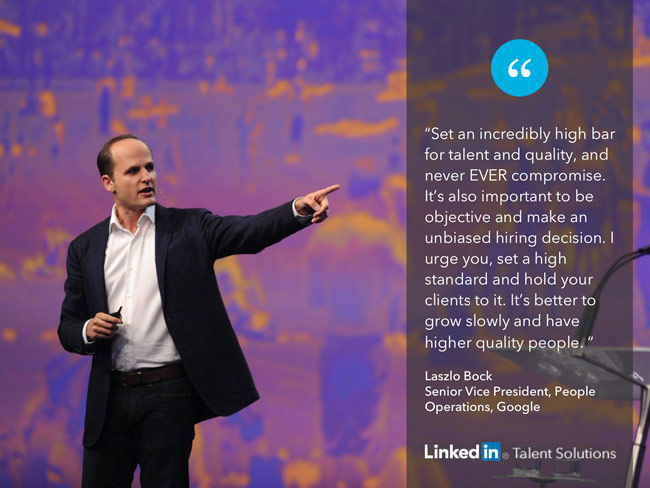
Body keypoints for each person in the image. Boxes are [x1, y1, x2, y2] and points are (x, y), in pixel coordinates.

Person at [57, 134, 340, 488]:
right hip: (109, 397)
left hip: (169, 395)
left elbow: (250, 231)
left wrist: (297, 209)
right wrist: (87, 329)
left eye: (150, 167)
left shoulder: (190, 227)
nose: (146, 177)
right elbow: (68, 326)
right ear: (108, 182)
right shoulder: (85, 247)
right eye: (133, 171)